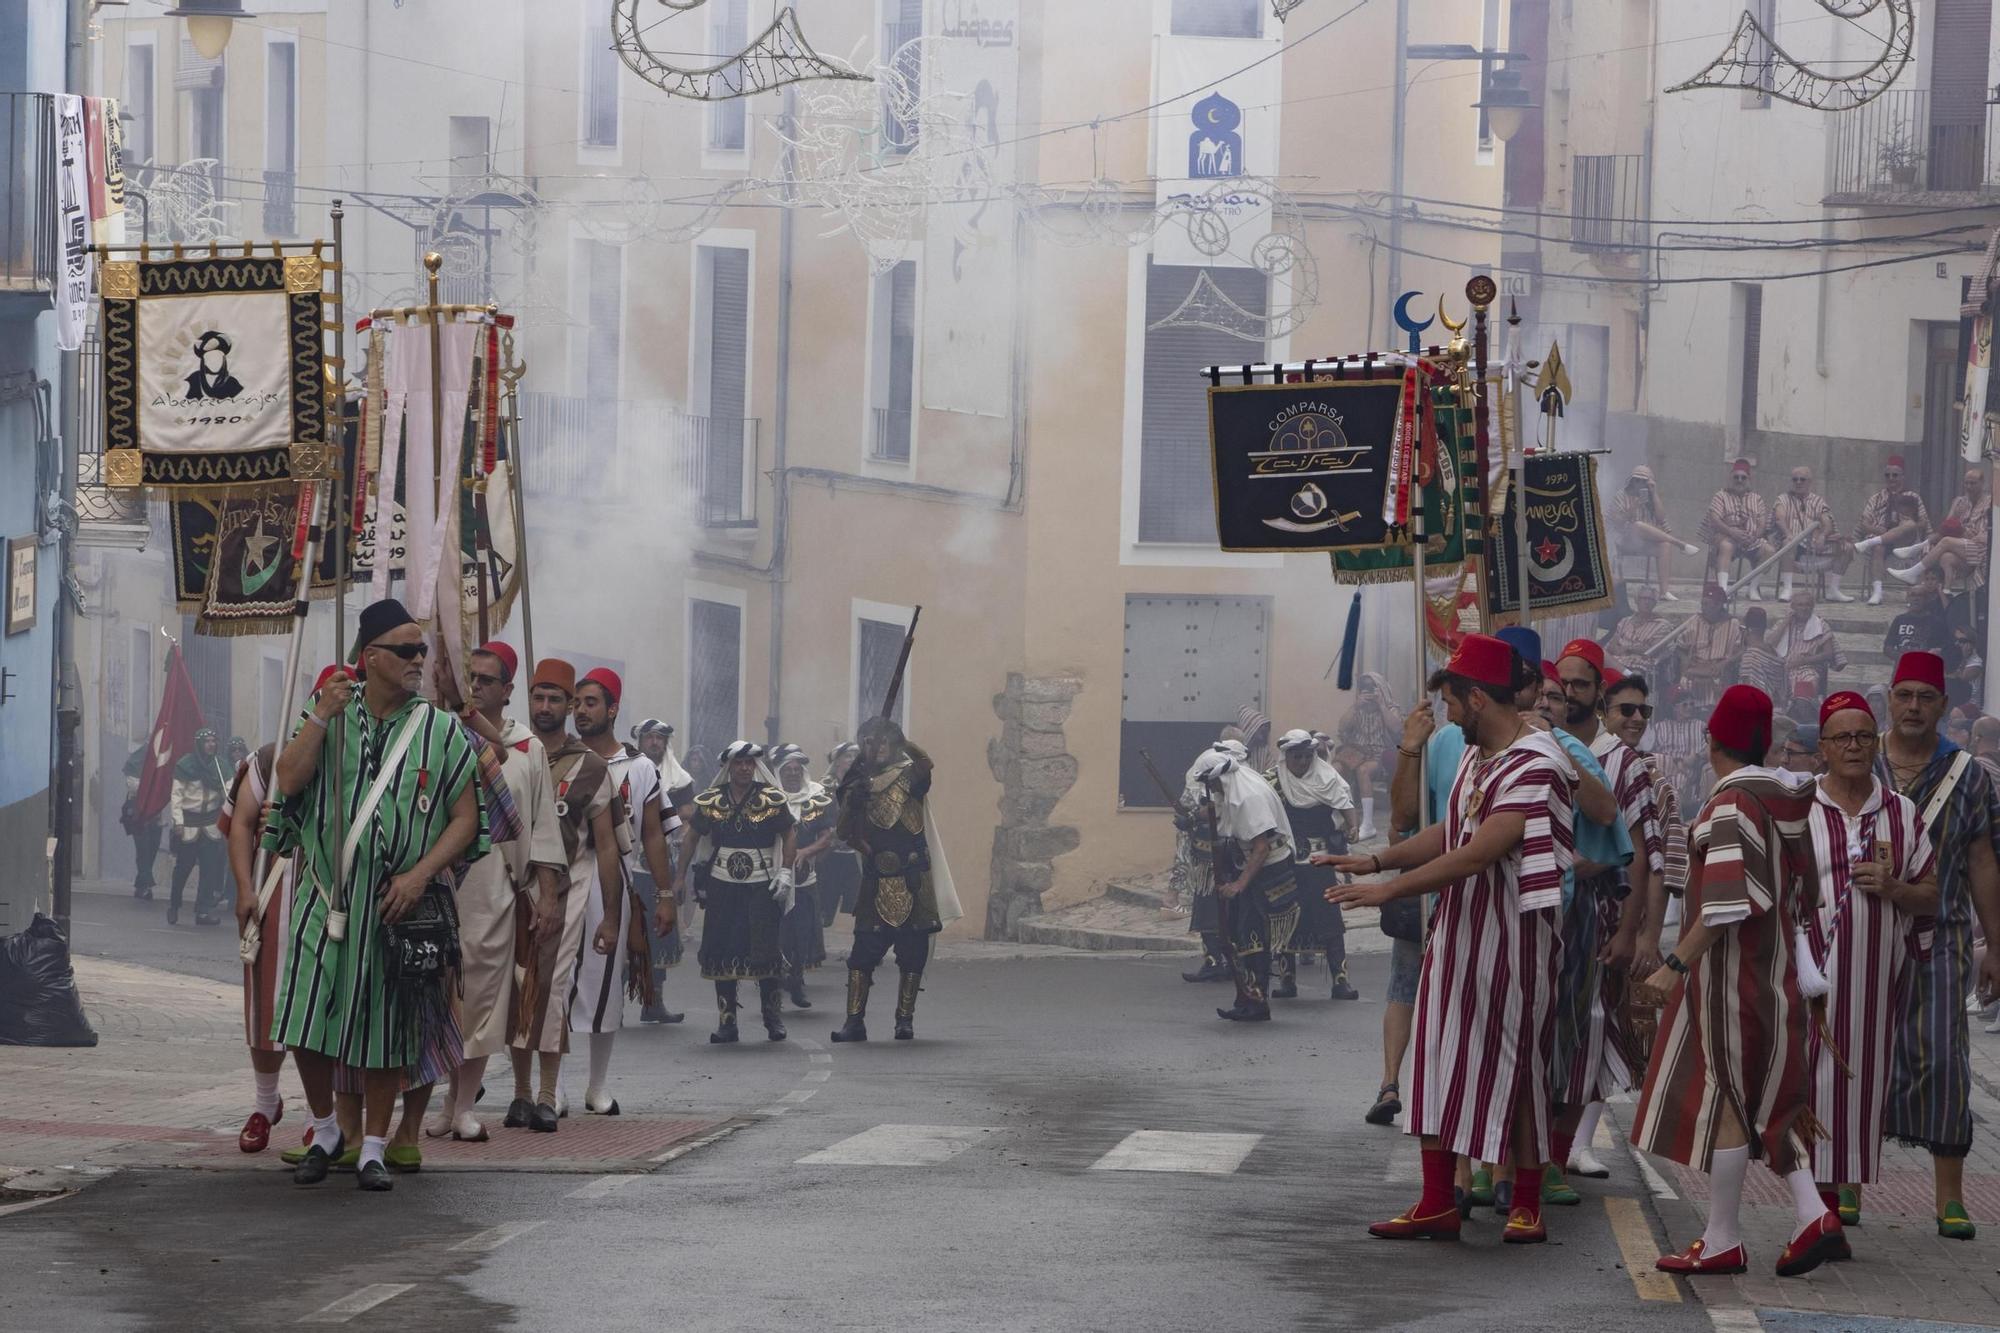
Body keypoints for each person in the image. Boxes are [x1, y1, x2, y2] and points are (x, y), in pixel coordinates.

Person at [1327, 634, 1574, 1244]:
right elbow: (1451, 831)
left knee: (1517, 1067)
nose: (1449, 714)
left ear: (1478, 698)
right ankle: (1437, 1200)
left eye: (1454, 702)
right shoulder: (1474, 755)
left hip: (1514, 942)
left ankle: (1526, 1202)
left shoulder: (1536, 762)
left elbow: (1481, 851)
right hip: (1456, 934)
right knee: (1436, 1061)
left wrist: (1390, 890)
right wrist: (1377, 859)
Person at [264, 599, 488, 1192]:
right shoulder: (329, 711)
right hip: (324, 894)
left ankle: (374, 1148)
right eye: (406, 650)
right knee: (304, 1017)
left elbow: (466, 818)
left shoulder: (440, 729)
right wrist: (320, 716)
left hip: (396, 907)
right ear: (370, 657)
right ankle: (325, 1130)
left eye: (422, 650)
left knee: (386, 1027)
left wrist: (421, 876)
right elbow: (288, 780)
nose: (419, 660)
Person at [1630, 685, 1846, 1278]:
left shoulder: (1731, 805)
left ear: (1711, 740)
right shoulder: (1785, 804)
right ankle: (1812, 1215)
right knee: (1768, 1099)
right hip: (1773, 972)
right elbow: (1803, 894)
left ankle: (1724, 1237)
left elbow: (1724, 906)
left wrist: (1673, 967)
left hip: (1732, 976)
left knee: (1727, 1093)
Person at [1803, 691, 1940, 1250]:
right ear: (1823, 747)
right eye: (1843, 737)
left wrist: (1894, 888)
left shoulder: (1902, 813)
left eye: (1864, 736)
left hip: (1873, 986)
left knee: (1854, 1093)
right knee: (1805, 1089)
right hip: (1805, 980)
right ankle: (1817, 1215)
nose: (1855, 746)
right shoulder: (1799, 808)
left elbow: (1931, 895)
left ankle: (1828, 1212)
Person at [1876, 653, 2000, 1239]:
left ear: (1944, 706)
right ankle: (1846, 1182)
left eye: (1926, 697)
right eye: (1905, 695)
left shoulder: (1969, 774)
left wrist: (1996, 945)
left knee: (1945, 1060)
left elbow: (1982, 860)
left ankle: (1950, 1197)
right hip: (1865, 932)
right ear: (1889, 698)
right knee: (1859, 1052)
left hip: (1944, 938)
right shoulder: (1859, 757)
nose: (1914, 707)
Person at [431, 642, 567, 1143]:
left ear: (508, 690)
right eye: (471, 677)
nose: (477, 686)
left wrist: (547, 897)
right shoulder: (437, 732)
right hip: (442, 881)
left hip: (496, 887)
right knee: (442, 996)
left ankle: (466, 1105)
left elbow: (544, 828)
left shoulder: (528, 749)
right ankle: (447, 1099)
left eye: (487, 680)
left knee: (484, 1000)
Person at [1548, 641, 1662, 1200]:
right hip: (1539, 913)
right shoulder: (1532, 742)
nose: (1570, 693)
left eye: (1581, 684)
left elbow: (1641, 852)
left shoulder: (1621, 761)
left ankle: (1558, 1153)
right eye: (1562, 684)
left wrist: (1632, 932)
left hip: (1595, 915)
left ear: (1598, 692)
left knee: (1584, 1032)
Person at [510, 658, 625, 1132]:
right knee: (515, 988)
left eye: (555, 699)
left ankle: (546, 1094)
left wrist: (612, 917)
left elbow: (608, 847)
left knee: (551, 989)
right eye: (538, 697)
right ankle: (519, 1093)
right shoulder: (513, 752)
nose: (545, 706)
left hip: (567, 890)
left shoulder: (591, 768)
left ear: (570, 704)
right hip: (512, 888)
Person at [572, 668, 670, 1114]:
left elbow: (653, 834)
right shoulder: (560, 758)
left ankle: (597, 1086)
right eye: (577, 703)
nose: (580, 711)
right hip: (561, 876)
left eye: (591, 703)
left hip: (613, 883)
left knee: (604, 981)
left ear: (612, 710)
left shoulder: (640, 767)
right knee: (556, 983)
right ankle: (551, 1087)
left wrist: (665, 895)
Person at [830, 718, 962, 1039]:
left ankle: (905, 1020)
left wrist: (903, 740)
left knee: (913, 956)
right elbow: (844, 832)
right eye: (870, 741)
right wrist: (853, 803)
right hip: (876, 878)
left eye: (884, 741)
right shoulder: (855, 783)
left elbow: (926, 764)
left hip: (913, 877)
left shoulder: (910, 775)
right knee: (862, 955)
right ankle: (854, 1022)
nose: (878, 747)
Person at [685, 741, 797, 1044]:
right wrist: (678, 877)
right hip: (722, 886)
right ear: (728, 766)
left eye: (749, 763)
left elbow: (789, 833)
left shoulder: (770, 798)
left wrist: (786, 871)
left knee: (766, 951)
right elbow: (692, 836)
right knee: (722, 950)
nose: (745, 768)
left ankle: (772, 1018)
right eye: (739, 763)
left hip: (761, 886)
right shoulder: (712, 800)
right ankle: (727, 1022)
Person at [224, 725, 301, 1155]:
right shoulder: (270, 759)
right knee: (265, 1007)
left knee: (322, 1010)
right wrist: (244, 889)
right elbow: (240, 823)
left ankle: (323, 1118)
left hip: (333, 899)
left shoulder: (360, 759)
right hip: (273, 895)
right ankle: (265, 1102)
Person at [1186, 744, 1300, 1025]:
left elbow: (1261, 848)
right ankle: (1248, 997)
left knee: (1252, 937)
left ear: (1220, 778)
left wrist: (1239, 885)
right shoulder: (1235, 787)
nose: (1211, 789)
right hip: (1251, 866)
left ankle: (1256, 1001)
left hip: (1267, 871)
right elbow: (1217, 811)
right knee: (1242, 933)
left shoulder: (1248, 797)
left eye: (1212, 783)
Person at [1267, 728, 1358, 1001]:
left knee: (1329, 918)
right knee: (1286, 916)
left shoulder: (1327, 777)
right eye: (1297, 757)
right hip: (1287, 860)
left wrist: (1353, 827)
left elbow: (1345, 803)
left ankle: (1340, 980)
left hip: (1320, 861)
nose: (1303, 762)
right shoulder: (1272, 782)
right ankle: (1287, 981)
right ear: (1286, 756)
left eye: (1307, 756)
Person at [632, 717, 693, 1017]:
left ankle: (653, 1003)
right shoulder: (626, 772)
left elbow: (688, 813)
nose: (655, 742)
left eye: (660, 738)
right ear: (640, 741)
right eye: (650, 737)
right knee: (629, 932)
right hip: (630, 866)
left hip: (662, 867)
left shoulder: (680, 780)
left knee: (659, 934)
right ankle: (614, 1006)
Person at [1178, 732, 1250, 983]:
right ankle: (1213, 961)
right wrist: (1190, 818)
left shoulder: (1244, 783)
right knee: (1206, 908)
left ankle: (1236, 961)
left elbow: (1221, 809)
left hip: (1232, 857)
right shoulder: (1207, 772)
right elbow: (1206, 805)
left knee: (1233, 911)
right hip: (1206, 855)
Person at [772, 744, 834, 1008]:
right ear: (779, 773)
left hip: (804, 877)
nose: (793, 774)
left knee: (801, 930)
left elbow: (827, 836)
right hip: (773, 875)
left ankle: (797, 982)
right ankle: (773, 986)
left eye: (797, 770)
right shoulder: (769, 798)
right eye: (788, 770)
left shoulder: (815, 798)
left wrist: (806, 851)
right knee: (776, 932)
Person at [1890, 467, 1990, 588]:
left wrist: (1974, 535)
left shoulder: (1989, 503)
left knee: (1945, 541)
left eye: (1973, 483)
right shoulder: (1961, 501)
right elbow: (1947, 526)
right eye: (1966, 483)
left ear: (1982, 483)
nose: (1969, 487)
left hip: (1981, 548)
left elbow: (1990, 532)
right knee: (1945, 557)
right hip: (1961, 544)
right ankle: (1942, 592)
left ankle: (1913, 570)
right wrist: (1955, 514)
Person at [168, 726, 230, 926]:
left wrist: (227, 801)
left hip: (211, 824)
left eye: (213, 741)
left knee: (209, 870)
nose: (211, 745)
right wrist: (178, 821)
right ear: (199, 744)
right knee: (183, 868)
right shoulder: (185, 765)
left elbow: (230, 793)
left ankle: (203, 911)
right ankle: (174, 904)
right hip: (189, 824)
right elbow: (176, 795)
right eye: (207, 742)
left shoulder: (221, 766)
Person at [1611, 466, 1701, 599]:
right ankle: (1680, 544)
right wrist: (1633, 507)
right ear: (1632, 481)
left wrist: (1653, 494)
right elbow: (1617, 522)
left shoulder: (1652, 498)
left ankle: (1664, 592)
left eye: (1644, 481)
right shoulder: (1621, 495)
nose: (1639, 484)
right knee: (1637, 525)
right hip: (1626, 541)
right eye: (1637, 480)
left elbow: (1661, 518)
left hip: (1645, 543)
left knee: (1665, 545)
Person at [1852, 456, 1930, 605]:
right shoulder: (1876, 498)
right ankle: (1877, 592)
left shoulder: (1913, 497)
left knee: (1907, 525)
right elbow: (1864, 523)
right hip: (1882, 539)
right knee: (1878, 547)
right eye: (1887, 475)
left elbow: (1923, 522)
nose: (1891, 478)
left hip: (1906, 541)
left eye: (1895, 475)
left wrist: (1908, 525)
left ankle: (1870, 542)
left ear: (1903, 476)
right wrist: (1876, 529)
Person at [1771, 466, 1853, 603]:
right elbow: (1780, 518)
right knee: (1788, 543)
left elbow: (1827, 522)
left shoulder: (1818, 501)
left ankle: (1833, 590)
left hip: (1815, 546)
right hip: (1793, 549)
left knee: (1847, 548)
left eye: (1802, 479)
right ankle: (1787, 589)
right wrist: (1788, 534)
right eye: (1795, 479)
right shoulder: (1783, 499)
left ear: (1809, 482)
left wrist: (1823, 535)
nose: (1798, 482)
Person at [1337, 673, 1402, 841]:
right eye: (1364, 687)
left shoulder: (1390, 707)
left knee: (1363, 770)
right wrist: (1355, 706)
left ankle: (1368, 824)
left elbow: (1396, 729)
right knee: (1335, 769)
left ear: (1380, 688)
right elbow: (1342, 727)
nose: (1368, 691)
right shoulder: (1358, 708)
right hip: (1355, 750)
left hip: (1378, 753)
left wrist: (1381, 705)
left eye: (1372, 687)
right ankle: (1346, 817)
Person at [1702, 459, 1777, 599]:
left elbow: (1762, 524)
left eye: (1743, 477)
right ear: (1731, 478)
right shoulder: (1721, 496)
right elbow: (1714, 519)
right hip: (1726, 537)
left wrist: (1754, 536)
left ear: (1749, 479)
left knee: (1770, 551)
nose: (1739, 480)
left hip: (1751, 540)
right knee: (1726, 546)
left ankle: (1752, 589)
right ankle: (1723, 591)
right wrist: (1732, 532)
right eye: (1736, 477)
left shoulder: (1757, 499)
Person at [817, 743, 863, 928]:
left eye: (855, 756)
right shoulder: (823, 788)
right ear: (837, 761)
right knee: (825, 905)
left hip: (856, 854)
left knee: (860, 905)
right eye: (847, 756)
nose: (852, 760)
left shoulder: (863, 784)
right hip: (830, 854)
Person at [1770, 587, 1845, 699]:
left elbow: (1829, 654)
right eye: (1800, 605)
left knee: (1807, 683)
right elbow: (1770, 644)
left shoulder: (1821, 625)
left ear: (1812, 607)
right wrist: (1785, 623)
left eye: (1808, 605)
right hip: (1782, 666)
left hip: (1807, 668)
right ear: (1793, 607)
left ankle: (1801, 707)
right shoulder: (1783, 623)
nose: (1804, 608)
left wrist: (1804, 661)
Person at [1682, 584, 1745, 713]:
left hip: (1719, 670)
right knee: (1685, 683)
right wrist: (1685, 663)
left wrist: (1725, 662)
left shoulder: (1733, 624)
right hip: (1696, 667)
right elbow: (1680, 647)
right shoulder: (1695, 620)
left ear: (1718, 605)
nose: (1703, 607)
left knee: (1717, 682)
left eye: (1706, 604)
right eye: (1702, 604)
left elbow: (1741, 651)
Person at [1603, 587, 1677, 680]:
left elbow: (1654, 649)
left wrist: (1628, 648)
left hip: (1640, 665)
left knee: (1635, 674)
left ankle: (1628, 677)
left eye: (1650, 599)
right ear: (1636, 601)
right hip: (1617, 661)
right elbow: (1612, 645)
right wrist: (1619, 650)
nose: (1647, 602)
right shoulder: (1625, 621)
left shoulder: (1662, 625)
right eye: (1643, 598)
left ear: (1655, 603)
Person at [122, 742, 164, 900]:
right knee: (143, 849)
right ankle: (146, 885)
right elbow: (135, 787)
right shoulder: (134, 767)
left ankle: (141, 884)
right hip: (138, 813)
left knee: (153, 847)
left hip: (155, 814)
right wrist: (153, 785)